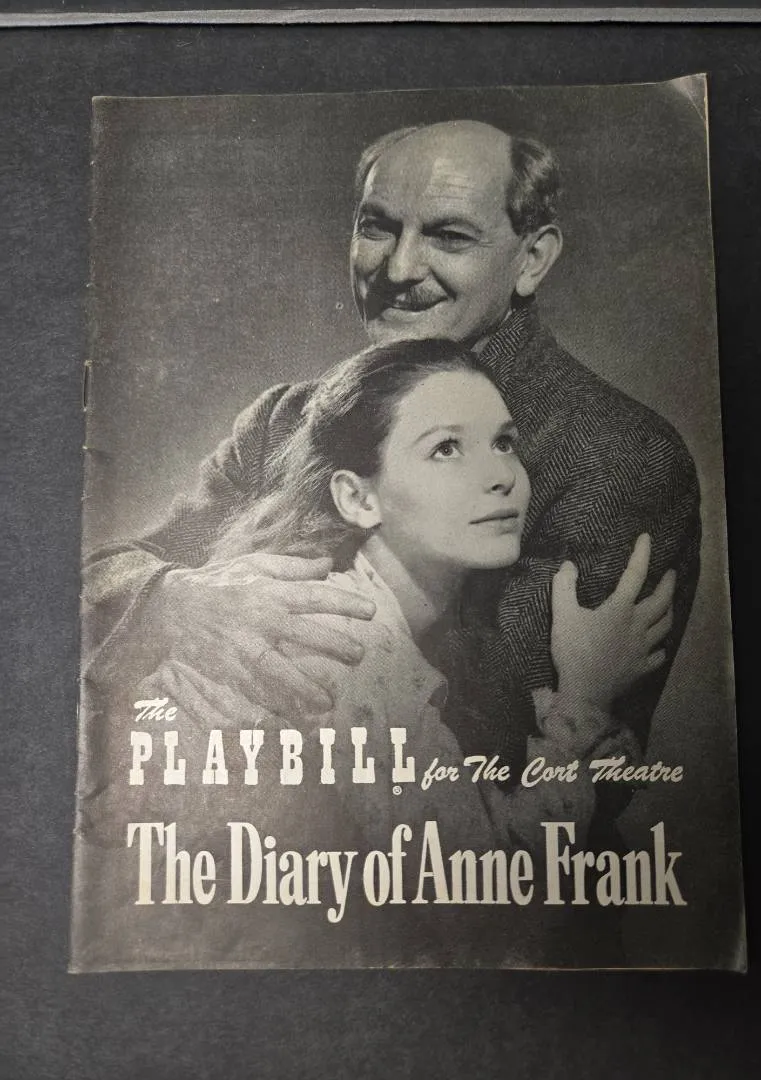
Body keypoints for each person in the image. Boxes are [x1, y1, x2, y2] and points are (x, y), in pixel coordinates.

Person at [83, 119, 700, 841]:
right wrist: (172, 603)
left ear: (531, 260)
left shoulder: (615, 454)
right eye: (376, 227)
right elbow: (99, 584)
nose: (400, 268)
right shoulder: (285, 418)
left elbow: (502, 763)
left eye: (449, 237)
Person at [91, 341, 672, 968]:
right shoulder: (345, 642)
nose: (502, 474)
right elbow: (488, 913)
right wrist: (584, 701)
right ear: (358, 498)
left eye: (504, 442)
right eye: (447, 448)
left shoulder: (365, 615)